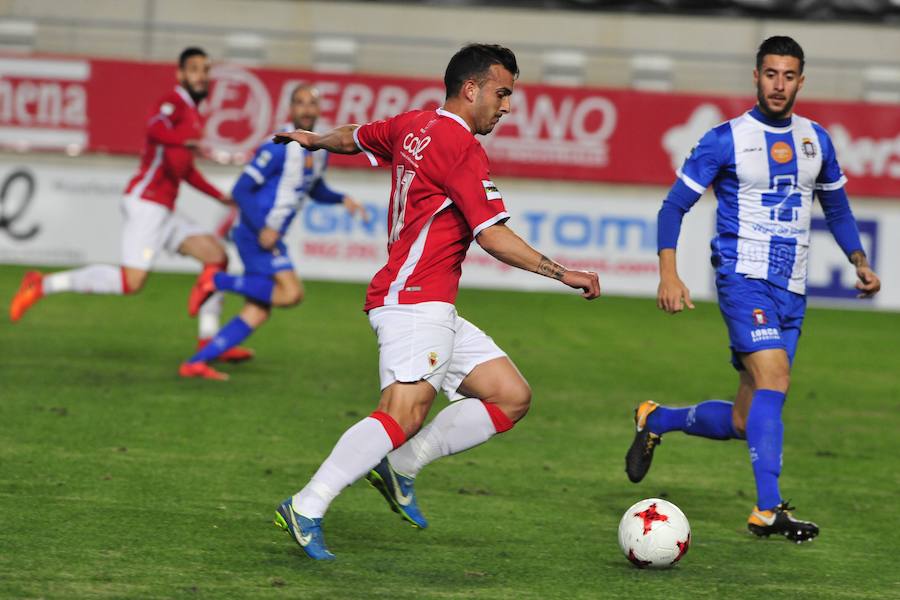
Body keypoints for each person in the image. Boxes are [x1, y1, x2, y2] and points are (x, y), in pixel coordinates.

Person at [270, 43, 600, 560]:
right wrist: (563, 273)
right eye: (502, 92)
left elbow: (353, 138)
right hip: (413, 302)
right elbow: (493, 236)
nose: (507, 105)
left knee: (510, 396)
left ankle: (400, 465)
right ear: (471, 89)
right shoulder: (460, 146)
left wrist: (314, 140)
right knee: (403, 412)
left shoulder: (414, 124)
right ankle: (307, 504)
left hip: (430, 304)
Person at [625, 36, 881, 543]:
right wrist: (668, 272)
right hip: (743, 280)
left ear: (801, 80)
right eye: (770, 74)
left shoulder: (817, 141)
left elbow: (837, 208)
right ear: (756, 77)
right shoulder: (726, 139)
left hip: (793, 289)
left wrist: (859, 259)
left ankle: (657, 419)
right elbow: (673, 206)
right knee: (776, 381)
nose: (779, 84)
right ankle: (768, 510)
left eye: (788, 76)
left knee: (746, 420)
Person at [9, 47, 251, 362]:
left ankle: (208, 343)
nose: (201, 76)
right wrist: (184, 138)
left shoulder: (192, 112)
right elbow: (155, 127)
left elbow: (185, 170)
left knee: (216, 258)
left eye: (205, 70)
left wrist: (221, 196)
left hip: (164, 209)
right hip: (146, 203)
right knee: (130, 282)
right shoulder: (175, 102)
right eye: (193, 69)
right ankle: (42, 284)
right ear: (180, 74)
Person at [180, 84, 368, 380]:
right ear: (291, 110)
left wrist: (341, 198)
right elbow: (241, 189)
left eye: (312, 103)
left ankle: (196, 362)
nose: (306, 109)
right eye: (300, 103)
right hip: (255, 233)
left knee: (258, 311)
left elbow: (314, 187)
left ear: (319, 110)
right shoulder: (277, 146)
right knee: (291, 293)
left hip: (268, 234)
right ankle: (216, 279)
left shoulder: (320, 147)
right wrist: (263, 227)